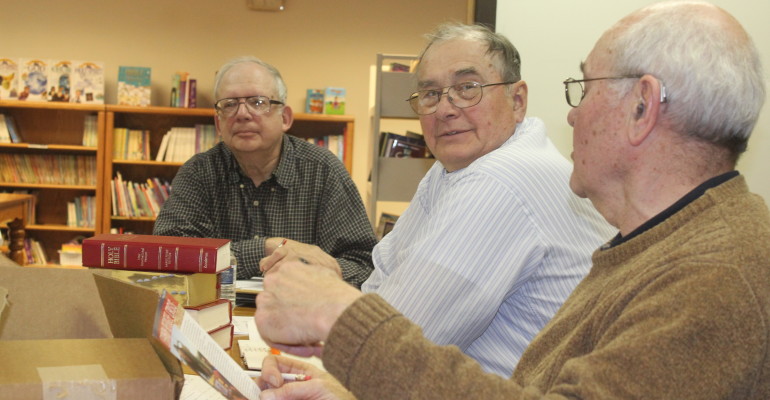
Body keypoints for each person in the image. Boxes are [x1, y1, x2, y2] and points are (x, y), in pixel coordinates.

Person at [254, 1, 770, 399]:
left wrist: (340, 314)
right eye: (430, 95)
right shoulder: (667, 243)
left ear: (643, 106)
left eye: (584, 88)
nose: (572, 116)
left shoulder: (714, 272)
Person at [261, 23, 613, 378]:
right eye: (430, 94)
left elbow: (390, 346)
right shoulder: (451, 169)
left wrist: (324, 294)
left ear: (517, 100)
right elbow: (382, 278)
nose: (445, 108)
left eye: (467, 88)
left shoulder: (500, 179)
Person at [153, 56, 377, 288]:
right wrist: (268, 247)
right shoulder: (199, 172)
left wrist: (316, 267)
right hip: (217, 314)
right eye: (229, 104)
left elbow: (364, 265)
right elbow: (170, 253)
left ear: (285, 118)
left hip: (302, 313)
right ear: (219, 124)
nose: (242, 114)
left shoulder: (323, 171)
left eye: (258, 102)